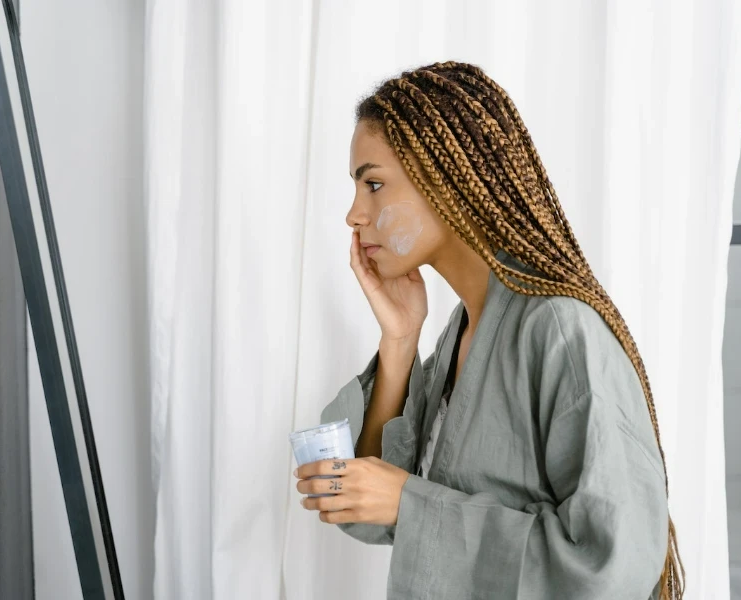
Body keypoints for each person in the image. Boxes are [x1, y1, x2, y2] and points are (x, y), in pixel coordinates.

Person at [293, 61, 684, 600]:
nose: (354, 214)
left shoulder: (559, 330)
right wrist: (401, 340)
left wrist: (411, 504)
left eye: (374, 184)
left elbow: (611, 567)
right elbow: (369, 515)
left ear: (447, 181)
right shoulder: (461, 330)